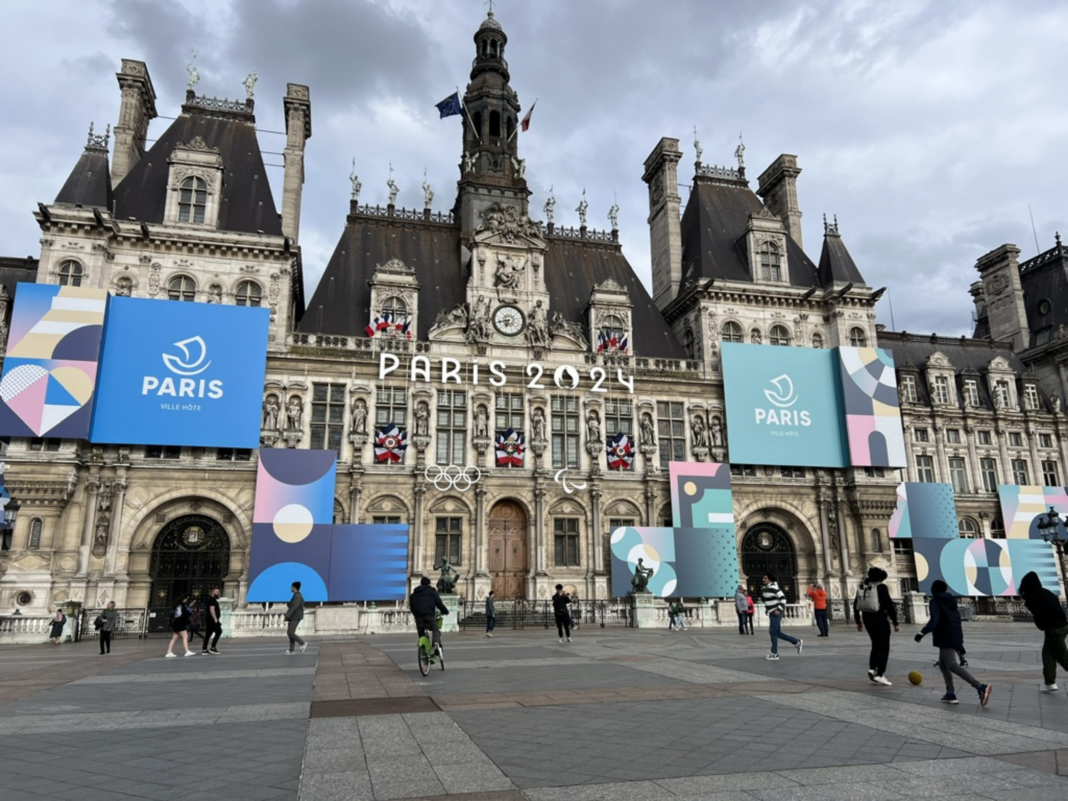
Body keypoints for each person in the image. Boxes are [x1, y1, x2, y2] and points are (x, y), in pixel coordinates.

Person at [915, 579, 992, 706]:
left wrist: (921, 633)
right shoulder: (951, 601)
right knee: (943, 666)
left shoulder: (935, 601)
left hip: (944, 636)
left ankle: (980, 686)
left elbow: (934, 620)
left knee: (951, 665)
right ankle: (950, 693)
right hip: (954, 634)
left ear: (934, 589)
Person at [1019, 570, 1068, 691]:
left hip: (1053, 629)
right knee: (1048, 654)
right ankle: (1050, 683)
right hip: (1062, 626)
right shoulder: (1047, 593)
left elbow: (1039, 617)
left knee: (1062, 655)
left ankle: (1050, 682)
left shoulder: (1033, 597)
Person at [854, 566, 898, 685]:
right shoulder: (881, 587)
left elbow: (856, 604)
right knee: (884, 646)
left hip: (867, 619)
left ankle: (872, 668)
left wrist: (858, 621)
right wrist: (895, 622)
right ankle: (880, 674)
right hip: (880, 618)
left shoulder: (862, 586)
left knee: (875, 644)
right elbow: (889, 605)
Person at [761, 574, 802, 660]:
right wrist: (767, 609)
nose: (763, 579)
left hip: (776, 613)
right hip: (772, 612)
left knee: (772, 632)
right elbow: (769, 600)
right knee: (777, 633)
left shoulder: (775, 588)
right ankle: (796, 642)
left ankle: (774, 653)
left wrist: (779, 609)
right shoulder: (767, 588)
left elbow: (783, 599)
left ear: (770, 579)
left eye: (765, 578)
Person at [410, 576, 449, 654]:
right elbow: (439, 603)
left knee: (421, 631)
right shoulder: (432, 591)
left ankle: (423, 650)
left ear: (421, 583)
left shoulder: (414, 593)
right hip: (429, 615)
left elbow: (411, 606)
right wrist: (445, 611)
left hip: (419, 616)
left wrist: (416, 615)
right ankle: (436, 643)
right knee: (435, 628)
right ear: (429, 584)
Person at [284, 581, 307, 655]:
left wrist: (287, 615)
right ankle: (291, 650)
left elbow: (294, 607)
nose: (290, 588)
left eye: (291, 587)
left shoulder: (297, 596)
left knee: (290, 632)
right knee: (291, 633)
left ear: (294, 587)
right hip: (294, 616)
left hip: (295, 616)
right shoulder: (296, 595)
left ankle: (302, 643)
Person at [201, 587, 222, 655]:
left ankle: (204, 649)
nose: (217, 593)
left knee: (208, 634)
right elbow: (212, 610)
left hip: (211, 620)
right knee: (219, 631)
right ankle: (212, 648)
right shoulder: (212, 600)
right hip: (212, 620)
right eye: (216, 592)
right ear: (212, 592)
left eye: (218, 592)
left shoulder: (212, 599)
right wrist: (215, 619)